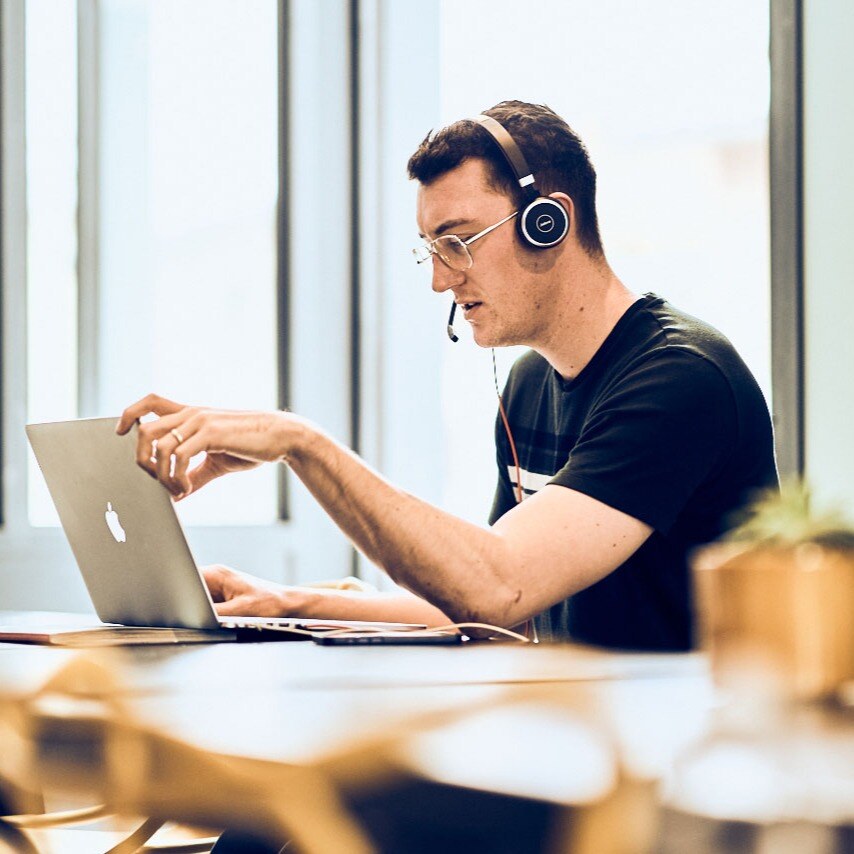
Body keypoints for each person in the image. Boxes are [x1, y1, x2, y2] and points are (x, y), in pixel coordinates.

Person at [117, 100, 777, 651]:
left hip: (673, 768)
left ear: (548, 224)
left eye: (458, 241)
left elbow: (498, 584)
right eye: (431, 249)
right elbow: (492, 611)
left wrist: (300, 442)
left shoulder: (678, 380)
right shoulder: (527, 384)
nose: (440, 278)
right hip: (586, 738)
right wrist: (289, 602)